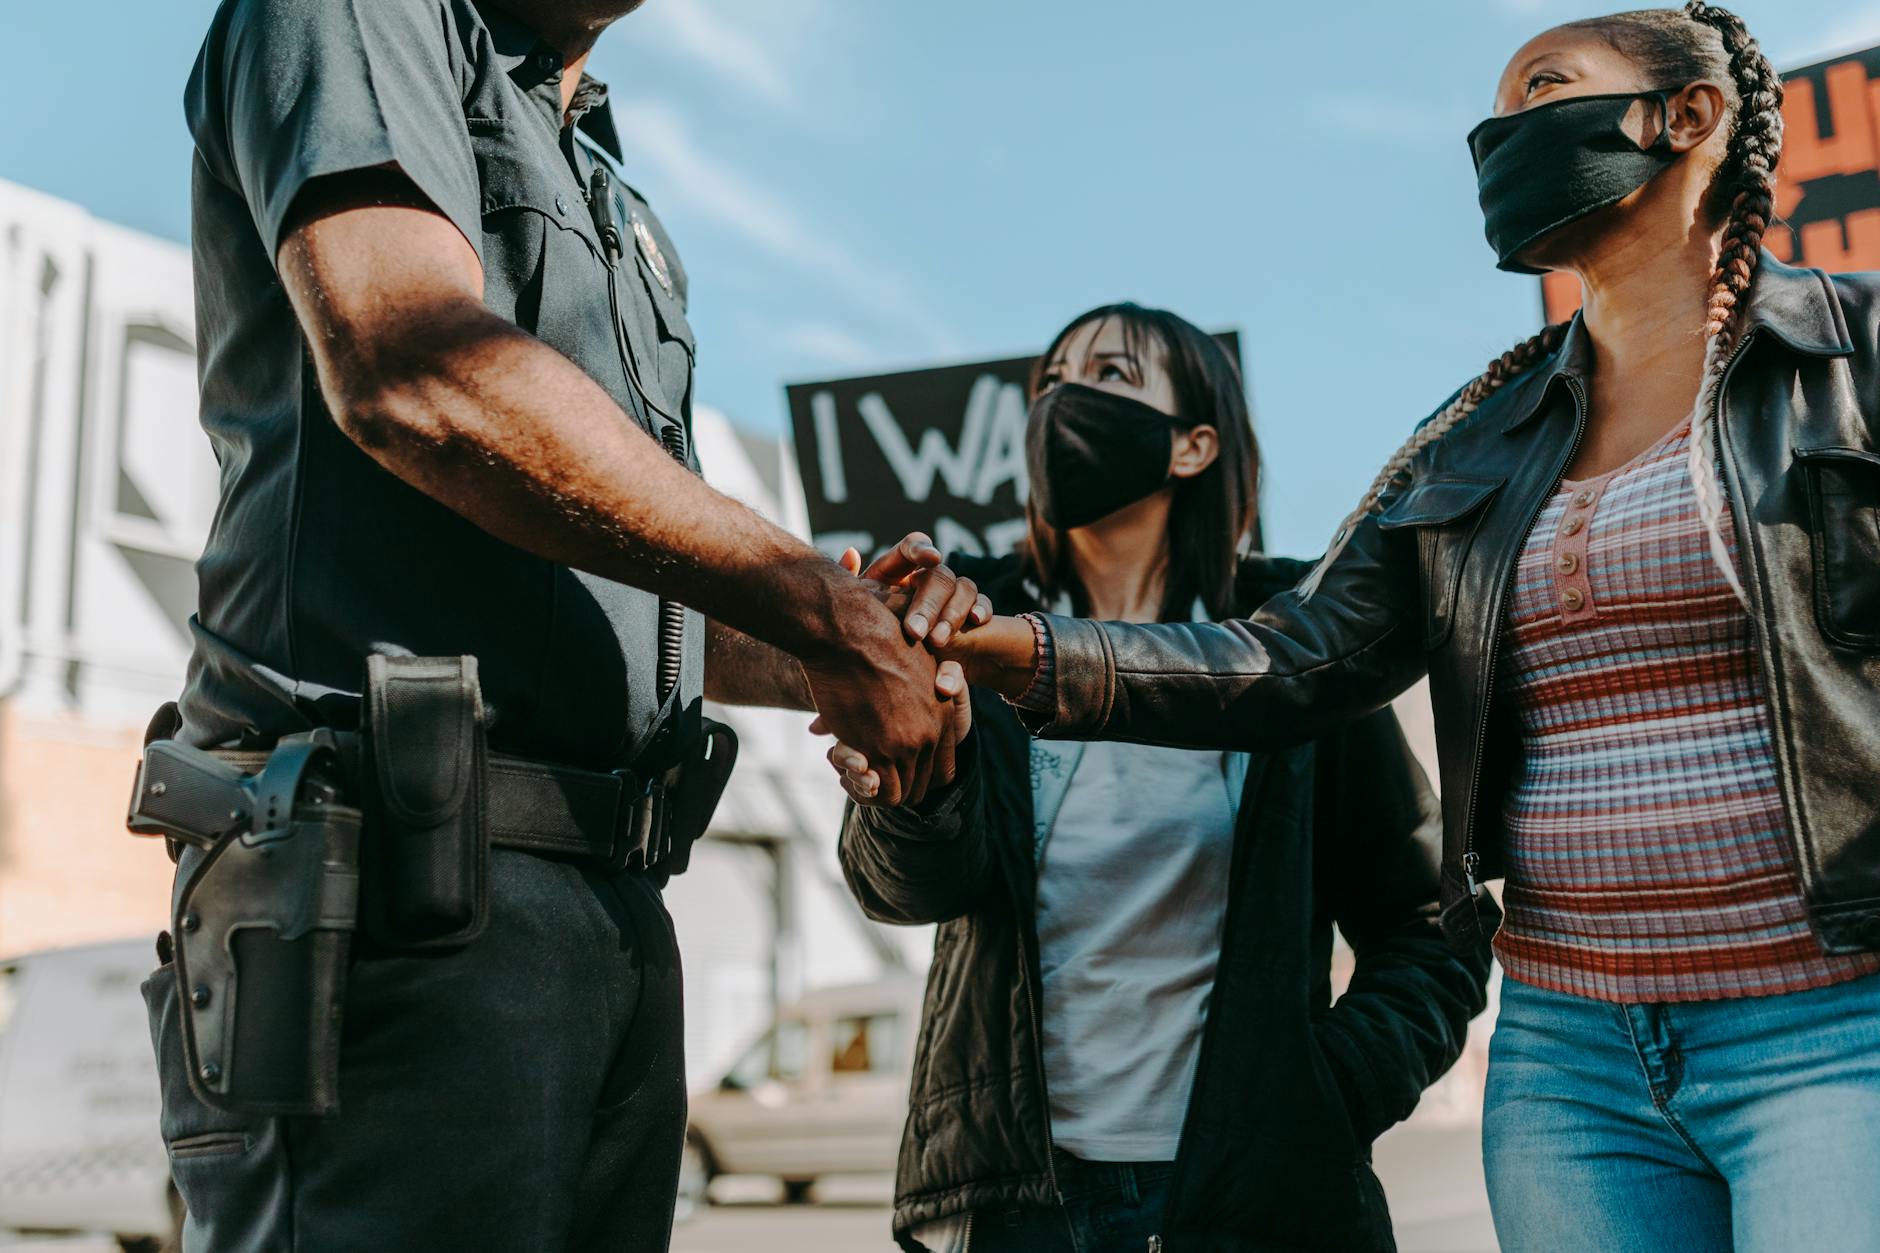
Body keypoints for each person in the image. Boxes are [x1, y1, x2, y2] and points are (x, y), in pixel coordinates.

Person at [850, 5, 1880, 1251]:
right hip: (1574, 1056)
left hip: (1830, 1022)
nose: (1497, 135)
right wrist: (1013, 651)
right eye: (1491, 110)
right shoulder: (1473, 439)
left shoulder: (1854, 356)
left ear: (1688, 116)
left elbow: (1404, 920)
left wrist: (1315, 1102)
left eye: (1540, 88)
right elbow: (1290, 658)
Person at [148, 2, 979, 1250]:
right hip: (393, 893)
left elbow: (648, 587)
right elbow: (414, 367)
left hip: (612, 904)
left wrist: (868, 644)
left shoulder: (615, 199)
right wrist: (821, 606)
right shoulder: (361, 17)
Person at [832, 304, 1491, 1253]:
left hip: (1252, 1206)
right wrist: (909, 790)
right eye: (1051, 379)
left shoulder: (1296, 641)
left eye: (1109, 374)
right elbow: (904, 892)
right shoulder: (960, 621)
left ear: (1194, 445)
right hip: (1018, 1207)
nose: (1063, 399)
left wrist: (1328, 1094)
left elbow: (1429, 926)